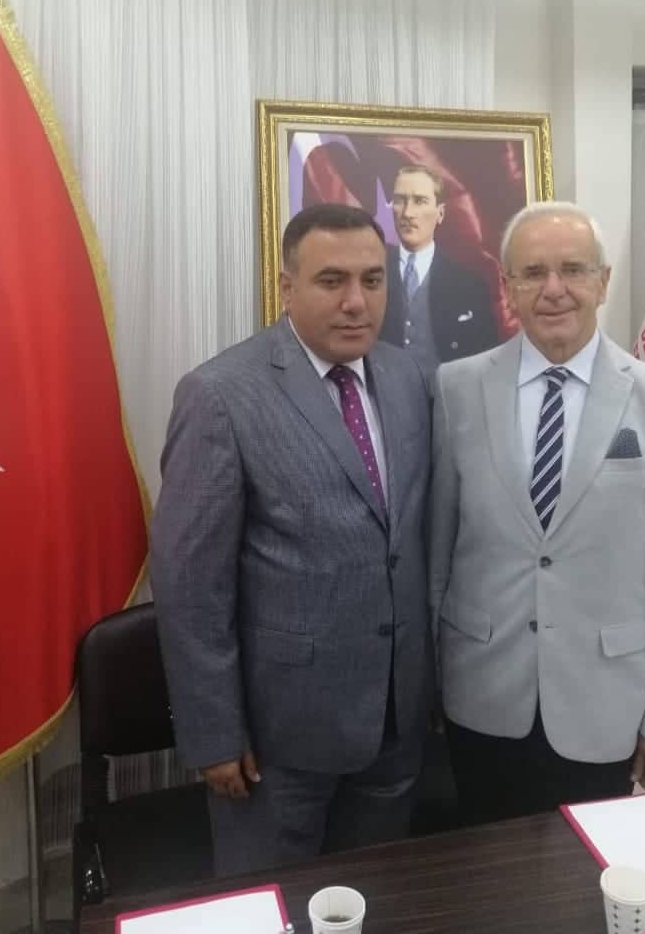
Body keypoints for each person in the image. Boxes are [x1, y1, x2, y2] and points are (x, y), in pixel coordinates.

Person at [151, 203, 434, 875]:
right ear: (286, 287)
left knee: (374, 897)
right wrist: (215, 733)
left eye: (372, 280)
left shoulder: (408, 379)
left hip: (395, 721)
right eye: (332, 280)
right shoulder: (220, 395)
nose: (356, 302)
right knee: (273, 905)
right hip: (278, 738)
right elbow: (190, 585)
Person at [429, 201, 645, 822]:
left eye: (574, 270)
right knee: (484, 866)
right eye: (533, 273)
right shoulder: (455, 389)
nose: (554, 289)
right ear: (508, 288)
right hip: (481, 694)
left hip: (603, 705)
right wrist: (429, 688)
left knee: (585, 869)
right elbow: (437, 556)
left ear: (603, 282)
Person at [380, 164, 499, 374]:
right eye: (399, 200)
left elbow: (485, 367)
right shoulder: (371, 276)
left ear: (440, 213)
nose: (408, 213)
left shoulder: (470, 286)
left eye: (420, 201)